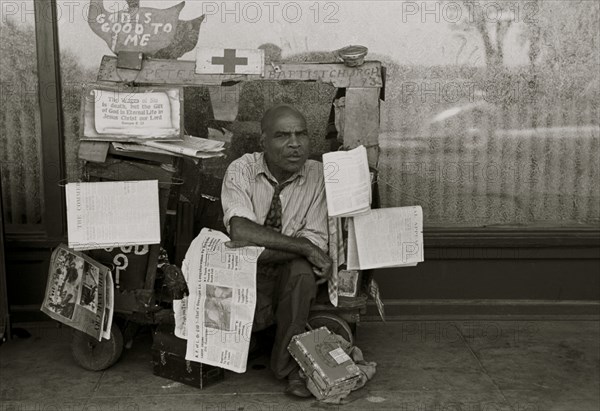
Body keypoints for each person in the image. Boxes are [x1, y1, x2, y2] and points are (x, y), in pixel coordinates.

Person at [221, 104, 332, 397]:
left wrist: (304, 250)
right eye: (283, 135)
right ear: (263, 142)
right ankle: (254, 339)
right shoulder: (242, 169)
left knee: (302, 274)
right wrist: (303, 246)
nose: (295, 144)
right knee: (299, 260)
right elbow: (240, 231)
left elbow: (318, 241)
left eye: (302, 134)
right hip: (244, 271)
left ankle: (289, 368)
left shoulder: (319, 176)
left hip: (283, 268)